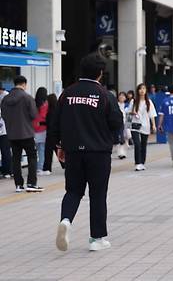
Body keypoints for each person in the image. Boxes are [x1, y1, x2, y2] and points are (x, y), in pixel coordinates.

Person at [51, 53, 124, 251]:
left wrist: (58, 146)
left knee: (73, 191)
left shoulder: (67, 93)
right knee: (98, 194)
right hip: (98, 152)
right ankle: (96, 239)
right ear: (100, 73)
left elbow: (55, 123)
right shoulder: (105, 95)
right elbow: (117, 123)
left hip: (73, 151)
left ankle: (66, 221)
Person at [1, 75, 41, 192]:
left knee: (16, 159)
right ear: (24, 84)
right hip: (27, 133)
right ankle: (31, 183)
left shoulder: (5, 99)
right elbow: (34, 115)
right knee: (32, 157)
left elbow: (3, 115)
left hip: (12, 134)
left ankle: (18, 185)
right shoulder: (27, 97)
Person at [129, 84, 157, 171]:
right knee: (137, 144)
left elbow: (152, 114)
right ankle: (137, 163)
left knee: (143, 144)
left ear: (146, 91)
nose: (142, 90)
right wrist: (132, 112)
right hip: (135, 125)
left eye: (144, 88)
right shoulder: (133, 101)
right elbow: (128, 112)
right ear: (137, 91)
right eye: (140, 89)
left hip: (145, 125)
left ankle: (142, 162)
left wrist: (153, 125)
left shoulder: (149, 102)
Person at [43, 93, 62, 174]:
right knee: (58, 150)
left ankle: (47, 168)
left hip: (50, 134)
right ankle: (65, 165)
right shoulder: (58, 110)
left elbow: (50, 123)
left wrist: (42, 123)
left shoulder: (50, 111)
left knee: (48, 152)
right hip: (57, 134)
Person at [33, 87, 49, 174]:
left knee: (33, 151)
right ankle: (40, 168)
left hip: (32, 129)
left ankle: (33, 168)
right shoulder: (46, 104)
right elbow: (44, 116)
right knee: (41, 150)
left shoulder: (33, 102)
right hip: (43, 129)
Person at [115, 92, 130, 160]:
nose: (121, 97)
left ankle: (123, 152)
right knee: (120, 138)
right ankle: (120, 153)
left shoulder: (127, 105)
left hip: (126, 124)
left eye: (123, 96)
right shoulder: (115, 105)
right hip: (118, 123)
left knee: (126, 137)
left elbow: (129, 116)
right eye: (120, 96)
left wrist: (129, 125)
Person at [0, 85, 11, 179]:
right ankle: (6, 171)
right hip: (4, 130)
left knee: (5, 151)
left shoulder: (6, 97)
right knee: (5, 151)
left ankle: (7, 171)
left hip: (5, 130)